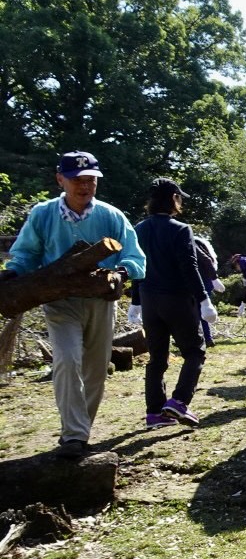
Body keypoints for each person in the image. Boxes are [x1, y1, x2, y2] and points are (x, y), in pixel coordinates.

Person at [0, 151, 146, 457]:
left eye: (91, 179)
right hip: (59, 302)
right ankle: (74, 436)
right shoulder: (43, 214)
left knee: (95, 369)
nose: (85, 185)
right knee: (66, 360)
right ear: (60, 179)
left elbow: (134, 257)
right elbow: (26, 254)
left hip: (99, 301)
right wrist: (13, 273)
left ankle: (81, 430)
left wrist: (121, 273)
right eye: (78, 179)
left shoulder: (111, 216)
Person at [131, 178, 218, 428]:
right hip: (177, 299)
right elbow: (189, 267)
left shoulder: (139, 229)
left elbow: (137, 266)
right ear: (174, 199)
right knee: (194, 351)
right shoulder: (180, 229)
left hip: (149, 299)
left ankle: (154, 413)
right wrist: (204, 300)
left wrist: (136, 302)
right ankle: (178, 402)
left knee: (157, 358)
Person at [193, 234, 221, 347]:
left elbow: (206, 260)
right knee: (201, 311)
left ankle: (203, 338)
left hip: (200, 281)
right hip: (206, 280)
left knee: (197, 312)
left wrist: (215, 278)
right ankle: (206, 338)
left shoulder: (191, 242)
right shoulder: (198, 242)